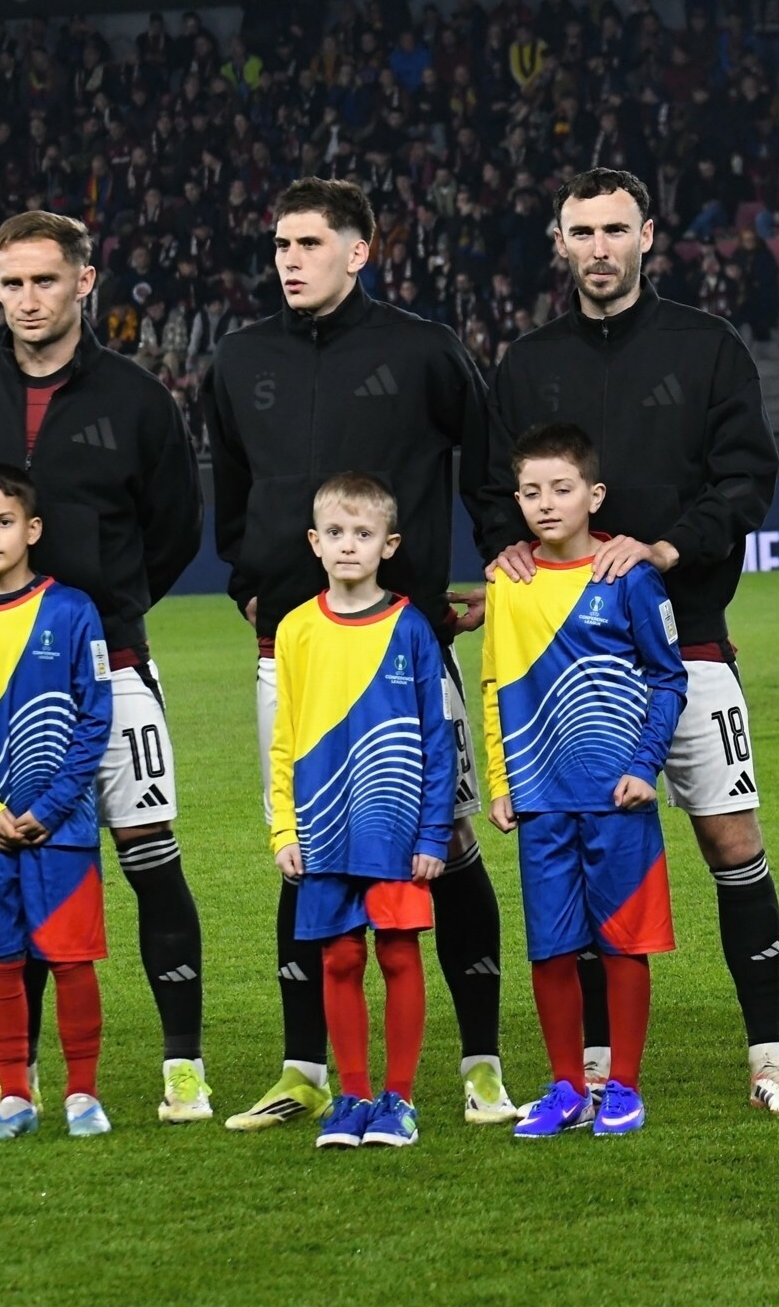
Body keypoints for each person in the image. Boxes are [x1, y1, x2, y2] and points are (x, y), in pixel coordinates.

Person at [482, 168, 779, 1115]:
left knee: (730, 837)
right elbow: (491, 487)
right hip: (563, 667)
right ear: (560, 241)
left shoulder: (707, 348)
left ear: (647, 235)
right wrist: (504, 544)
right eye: (581, 231)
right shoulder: (525, 363)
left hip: (690, 642)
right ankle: (595, 1069)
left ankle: (768, 1057)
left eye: (614, 229)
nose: (599, 248)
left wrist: (669, 547)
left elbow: (747, 479)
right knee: (582, 849)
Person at [207, 177, 514, 1131]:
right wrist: (247, 580)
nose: (289, 260)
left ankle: (481, 1064)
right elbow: (229, 486)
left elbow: (489, 465)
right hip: (292, 646)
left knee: (446, 842)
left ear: (358, 250)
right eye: (279, 245)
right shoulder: (240, 357)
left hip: (404, 647)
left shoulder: (423, 350)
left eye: (308, 243)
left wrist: (503, 568)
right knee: (305, 847)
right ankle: (306, 1069)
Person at [0, 211, 208, 1130]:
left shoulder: (138, 398)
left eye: (45, 280)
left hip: (114, 668)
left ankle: (183, 1064)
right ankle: (19, 1078)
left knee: (151, 860)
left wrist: (109, 607)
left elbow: (175, 529)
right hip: (4, 689)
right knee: (20, 865)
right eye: (11, 283)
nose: (28, 300)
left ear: (84, 282)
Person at [484, 425, 686, 1138]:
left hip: (616, 797)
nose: (546, 503)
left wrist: (643, 766)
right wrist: (500, 779)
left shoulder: (628, 575)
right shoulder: (508, 582)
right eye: (531, 492)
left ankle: (624, 1085)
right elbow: (494, 683)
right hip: (540, 796)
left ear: (593, 495)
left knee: (624, 944)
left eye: (561, 489)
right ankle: (567, 1086)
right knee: (551, 948)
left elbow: (668, 677)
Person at [269, 474, 455, 1149]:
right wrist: (283, 828)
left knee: (399, 955)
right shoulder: (295, 629)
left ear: (388, 545)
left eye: (364, 534)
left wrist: (433, 832)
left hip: (395, 830)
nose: (349, 545)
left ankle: (398, 1100)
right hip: (323, 825)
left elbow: (437, 739)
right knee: (340, 959)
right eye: (336, 533)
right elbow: (284, 738)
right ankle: (351, 1097)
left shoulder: (411, 628)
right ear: (315, 542)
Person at [0, 466, 113, 1141]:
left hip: (61, 828)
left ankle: (83, 1095)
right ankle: (14, 1096)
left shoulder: (72, 610)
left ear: (31, 529)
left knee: (71, 959)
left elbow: (95, 717)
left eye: (3, 522)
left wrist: (54, 805)